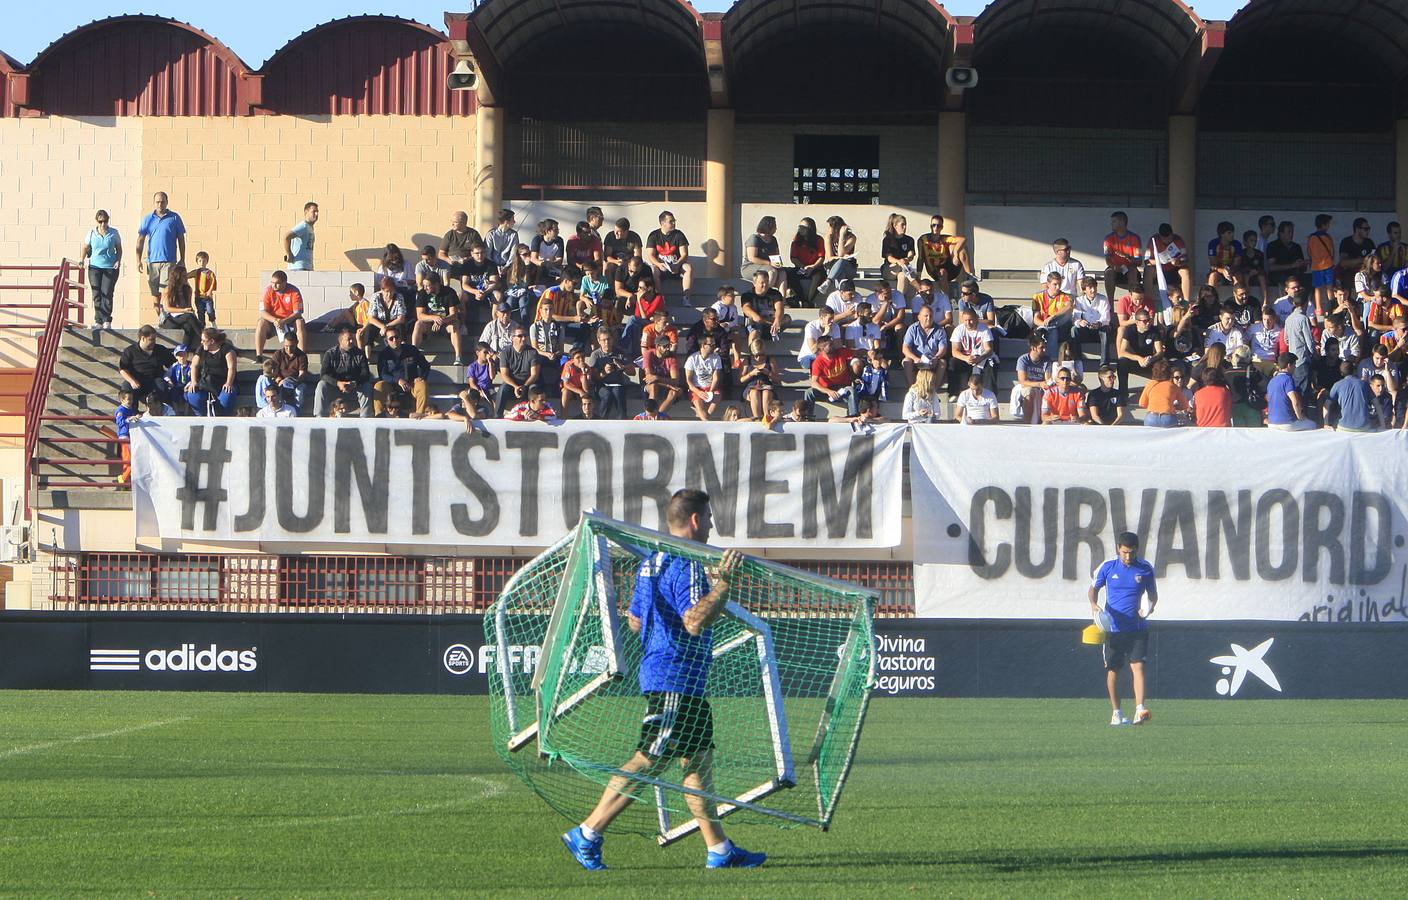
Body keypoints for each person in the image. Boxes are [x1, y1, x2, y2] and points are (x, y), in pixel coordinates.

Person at [563, 489, 766, 872]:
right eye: (707, 517)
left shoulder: (652, 560)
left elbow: (635, 618)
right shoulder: (689, 562)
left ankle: (719, 850)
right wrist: (723, 584)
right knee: (650, 758)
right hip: (675, 676)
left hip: (674, 676)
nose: (710, 524)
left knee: (697, 764)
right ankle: (588, 832)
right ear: (694, 520)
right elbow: (693, 621)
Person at [1089, 532, 1157, 727]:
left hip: (1137, 628)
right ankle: (1116, 713)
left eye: (1132, 552)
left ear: (1138, 550)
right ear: (1118, 548)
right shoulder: (1108, 567)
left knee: (1138, 666)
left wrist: (1149, 607)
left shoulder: (1144, 568)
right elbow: (1093, 589)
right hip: (1113, 629)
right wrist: (1094, 604)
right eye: (1125, 552)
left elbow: (1153, 594)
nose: (1128, 556)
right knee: (1113, 671)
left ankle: (1139, 710)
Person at [135, 191, 186, 319]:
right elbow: (140, 240)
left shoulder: (174, 218)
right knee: (155, 294)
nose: (160, 204)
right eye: (157, 202)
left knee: (166, 290)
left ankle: (165, 314)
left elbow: (181, 239)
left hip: (168, 260)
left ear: (167, 202)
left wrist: (182, 258)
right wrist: (138, 260)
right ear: (154, 203)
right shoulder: (148, 219)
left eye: (162, 201)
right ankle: (160, 317)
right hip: (152, 262)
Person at [316, 324, 373, 418]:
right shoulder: (330, 354)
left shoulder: (359, 354)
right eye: (348, 340)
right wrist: (338, 383)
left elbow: (365, 374)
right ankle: (319, 417)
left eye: (352, 339)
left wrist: (354, 383)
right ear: (341, 341)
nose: (351, 341)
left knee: (367, 386)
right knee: (321, 385)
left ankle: (365, 417)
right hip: (335, 387)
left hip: (354, 388)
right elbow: (324, 374)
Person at [373, 327, 430, 416]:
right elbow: (383, 375)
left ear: (401, 338)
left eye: (397, 337)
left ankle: (419, 414)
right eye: (391, 339)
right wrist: (398, 380)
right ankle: (380, 415)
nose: (394, 340)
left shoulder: (412, 350)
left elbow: (426, 366)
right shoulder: (383, 354)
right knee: (379, 386)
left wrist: (421, 377)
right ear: (386, 341)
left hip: (412, 384)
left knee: (422, 384)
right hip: (392, 385)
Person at [80, 209, 122, 329]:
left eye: (105, 221)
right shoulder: (92, 233)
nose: (103, 224)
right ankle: (98, 319)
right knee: (96, 293)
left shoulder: (114, 233)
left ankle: (106, 319)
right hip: (95, 267)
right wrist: (81, 260)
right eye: (100, 221)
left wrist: (118, 260)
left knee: (107, 293)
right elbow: (85, 247)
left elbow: (119, 248)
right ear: (97, 221)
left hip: (109, 267)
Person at [413, 272, 466, 365]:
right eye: (424, 285)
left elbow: (454, 314)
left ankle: (458, 356)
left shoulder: (449, 292)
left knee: (454, 326)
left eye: (428, 286)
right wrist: (434, 318)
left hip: (447, 322)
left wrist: (441, 321)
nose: (425, 288)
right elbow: (420, 315)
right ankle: (413, 355)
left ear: (436, 285)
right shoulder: (422, 293)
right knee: (418, 324)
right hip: (429, 322)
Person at [185, 328, 238, 417]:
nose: (201, 342)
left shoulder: (227, 350)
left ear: (212, 341)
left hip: (222, 383)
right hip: (204, 383)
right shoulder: (201, 350)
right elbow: (194, 366)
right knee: (193, 395)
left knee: (227, 396)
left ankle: (223, 417)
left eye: (204, 340)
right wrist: (193, 381)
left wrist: (228, 383)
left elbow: (231, 368)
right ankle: (201, 416)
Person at [804, 335, 860, 418]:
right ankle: (807, 417)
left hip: (842, 389)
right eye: (830, 345)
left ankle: (853, 417)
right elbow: (814, 383)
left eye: (832, 343)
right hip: (826, 391)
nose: (833, 346)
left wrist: (870, 352)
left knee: (851, 390)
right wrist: (828, 391)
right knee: (809, 392)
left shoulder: (841, 352)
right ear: (822, 348)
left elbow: (858, 352)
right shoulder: (818, 362)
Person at [118, 325, 176, 403]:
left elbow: (173, 364)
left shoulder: (161, 350)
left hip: (155, 380)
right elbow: (123, 369)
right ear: (143, 338)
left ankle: (160, 411)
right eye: (151, 339)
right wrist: (132, 381)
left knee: (162, 386)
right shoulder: (130, 351)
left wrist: (169, 378)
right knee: (126, 386)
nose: (154, 342)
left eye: (155, 339)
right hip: (137, 381)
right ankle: (132, 412)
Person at [255, 270, 306, 358]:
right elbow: (262, 311)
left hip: (289, 322)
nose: (274, 286)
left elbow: (298, 313)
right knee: (261, 322)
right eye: (272, 283)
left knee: (299, 323)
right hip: (273, 322)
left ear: (284, 283)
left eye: (277, 283)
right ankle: (259, 355)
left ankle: (301, 356)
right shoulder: (268, 290)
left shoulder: (294, 291)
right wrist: (275, 320)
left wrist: (284, 321)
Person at [588, 328, 635, 420]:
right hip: (601, 385)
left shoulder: (620, 353)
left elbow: (633, 372)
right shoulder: (595, 355)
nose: (606, 342)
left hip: (617, 384)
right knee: (607, 395)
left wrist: (623, 367)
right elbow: (592, 377)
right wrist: (604, 373)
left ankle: (622, 422)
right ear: (599, 340)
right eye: (604, 340)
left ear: (612, 339)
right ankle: (601, 421)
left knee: (618, 393)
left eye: (609, 339)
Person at [645, 211, 693, 302]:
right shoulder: (654, 235)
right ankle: (660, 298)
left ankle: (686, 297)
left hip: (676, 266)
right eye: (671, 221)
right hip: (661, 267)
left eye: (674, 221)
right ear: (663, 223)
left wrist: (678, 264)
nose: (674, 223)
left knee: (688, 268)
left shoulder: (679, 235)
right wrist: (659, 264)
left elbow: (684, 254)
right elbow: (650, 255)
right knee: (652, 269)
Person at [916, 215, 971, 295]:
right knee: (943, 272)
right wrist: (918, 275)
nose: (935, 228)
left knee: (961, 249)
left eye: (938, 226)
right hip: (934, 269)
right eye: (933, 225)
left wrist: (955, 253)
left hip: (950, 266)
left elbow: (963, 239)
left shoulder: (944, 238)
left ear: (942, 227)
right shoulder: (923, 239)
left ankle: (969, 273)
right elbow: (921, 258)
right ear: (930, 226)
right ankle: (945, 297)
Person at [497, 326, 542, 417]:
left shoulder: (533, 352)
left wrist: (524, 386)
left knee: (534, 389)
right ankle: (497, 415)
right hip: (512, 383)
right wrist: (515, 386)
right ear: (513, 338)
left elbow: (534, 374)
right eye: (520, 336)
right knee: (502, 389)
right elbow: (504, 375)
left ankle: (535, 415)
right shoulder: (505, 352)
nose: (524, 338)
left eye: (525, 336)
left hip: (528, 382)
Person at [1266, 352, 1317, 431]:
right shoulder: (1288, 379)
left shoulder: (1271, 381)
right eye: (1294, 364)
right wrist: (1300, 417)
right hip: (1287, 423)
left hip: (1271, 423)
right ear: (1289, 365)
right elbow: (1295, 402)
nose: (1295, 367)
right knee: (1313, 425)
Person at [901, 303, 948, 388]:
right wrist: (915, 358)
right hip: (917, 360)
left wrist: (936, 358)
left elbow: (943, 348)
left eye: (930, 316)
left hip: (932, 360)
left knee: (942, 362)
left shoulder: (940, 330)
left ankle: (933, 391)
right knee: (906, 361)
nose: (928, 318)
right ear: (919, 317)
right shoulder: (912, 329)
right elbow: (905, 348)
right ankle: (913, 390)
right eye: (926, 316)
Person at [441, 210, 484, 298]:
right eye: (452, 221)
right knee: (443, 270)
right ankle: (446, 295)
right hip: (451, 264)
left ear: (463, 223)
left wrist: (467, 259)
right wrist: (448, 260)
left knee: (467, 269)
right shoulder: (449, 235)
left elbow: (480, 251)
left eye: (455, 222)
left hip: (467, 263)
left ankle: (465, 297)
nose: (452, 224)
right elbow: (441, 253)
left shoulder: (473, 234)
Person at [160, 263, 201, 348]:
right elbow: (167, 308)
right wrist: (184, 310)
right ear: (177, 277)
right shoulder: (168, 289)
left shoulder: (188, 289)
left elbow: (189, 307)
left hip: (184, 317)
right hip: (170, 319)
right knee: (189, 317)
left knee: (188, 327)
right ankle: (204, 337)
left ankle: (184, 350)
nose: (186, 278)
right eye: (183, 276)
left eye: (186, 275)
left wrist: (191, 313)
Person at [1102, 211, 1142, 299]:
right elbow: (1107, 259)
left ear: (1122, 222)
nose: (1111, 224)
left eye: (1114, 222)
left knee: (1132, 272)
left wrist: (1127, 257)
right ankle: (1110, 306)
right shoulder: (1108, 239)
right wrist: (1114, 267)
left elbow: (1139, 261)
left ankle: (1133, 301)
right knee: (1108, 273)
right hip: (1115, 269)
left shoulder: (1134, 238)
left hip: (1130, 269)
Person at [787, 217, 827, 305]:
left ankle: (810, 300)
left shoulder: (819, 240)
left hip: (815, 267)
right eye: (799, 227)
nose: (800, 229)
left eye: (803, 227)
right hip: (801, 267)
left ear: (810, 229)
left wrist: (812, 267)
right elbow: (793, 258)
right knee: (790, 274)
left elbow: (821, 257)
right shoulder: (796, 241)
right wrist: (803, 267)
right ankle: (801, 298)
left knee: (818, 276)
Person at [741, 216, 785, 294]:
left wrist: (778, 264)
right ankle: (765, 295)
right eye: (774, 226)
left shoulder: (773, 239)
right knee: (772, 271)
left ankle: (782, 300)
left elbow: (776, 255)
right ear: (769, 227)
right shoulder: (754, 238)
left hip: (768, 266)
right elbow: (752, 258)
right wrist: (769, 263)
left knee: (782, 273)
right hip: (750, 266)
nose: (776, 229)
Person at [1326, 362, 1374, 432]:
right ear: (1354, 371)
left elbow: (1327, 404)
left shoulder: (1337, 385)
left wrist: (1325, 423)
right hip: (1364, 427)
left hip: (1344, 427)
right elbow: (1376, 404)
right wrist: (1383, 424)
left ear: (1341, 373)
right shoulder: (1364, 384)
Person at [685, 335, 724, 421]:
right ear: (703, 345)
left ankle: (704, 417)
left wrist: (710, 391)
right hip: (697, 388)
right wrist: (698, 392)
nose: (714, 346)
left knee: (717, 395)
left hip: (710, 387)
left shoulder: (716, 358)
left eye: (714, 344)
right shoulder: (692, 359)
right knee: (703, 412)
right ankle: (705, 419)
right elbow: (688, 380)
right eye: (711, 344)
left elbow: (716, 377)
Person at [1138, 360, 1186, 428]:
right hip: (1168, 418)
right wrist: (1173, 406)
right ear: (1169, 373)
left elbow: (1142, 403)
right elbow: (1185, 406)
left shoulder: (1150, 384)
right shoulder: (1173, 386)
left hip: (1151, 418)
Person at [269, 332, 309, 412]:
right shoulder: (278, 354)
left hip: (296, 382)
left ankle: (297, 413)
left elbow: (302, 375)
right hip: (280, 382)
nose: (289, 349)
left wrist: (290, 381)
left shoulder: (302, 356)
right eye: (286, 346)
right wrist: (280, 380)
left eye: (292, 346)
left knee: (299, 391)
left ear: (297, 343)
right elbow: (274, 372)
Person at [1306, 214, 1336, 315]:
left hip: (1316, 266)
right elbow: (1332, 251)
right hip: (1328, 265)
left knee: (1317, 288)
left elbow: (1309, 252)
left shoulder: (1311, 237)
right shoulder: (1328, 237)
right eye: (1328, 224)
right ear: (1324, 224)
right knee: (1329, 287)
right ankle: (1332, 305)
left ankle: (1318, 308)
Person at [1012, 335, 1046, 424]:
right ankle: (1027, 423)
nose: (1044, 350)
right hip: (1027, 386)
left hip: (1041, 387)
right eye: (1041, 347)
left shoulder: (1047, 360)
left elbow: (1048, 378)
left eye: (1044, 347)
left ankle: (1042, 421)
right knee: (1030, 391)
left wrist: (1043, 385)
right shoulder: (1023, 360)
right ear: (1033, 348)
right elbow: (1022, 381)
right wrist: (1039, 384)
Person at [880, 213, 916, 297]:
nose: (905, 227)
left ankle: (900, 300)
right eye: (902, 225)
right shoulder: (888, 240)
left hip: (904, 269)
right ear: (895, 225)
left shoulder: (909, 240)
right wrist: (899, 262)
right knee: (903, 266)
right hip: (890, 269)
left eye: (905, 225)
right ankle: (917, 285)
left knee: (903, 275)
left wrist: (906, 259)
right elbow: (889, 257)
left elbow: (911, 254)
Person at [821, 216, 858, 293]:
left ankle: (828, 281)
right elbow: (830, 257)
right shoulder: (828, 237)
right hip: (833, 268)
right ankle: (840, 292)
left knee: (842, 261)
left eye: (829, 227)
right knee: (841, 268)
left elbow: (841, 253)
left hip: (849, 268)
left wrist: (842, 236)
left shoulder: (851, 237)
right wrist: (840, 258)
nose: (827, 229)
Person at [603, 217, 643, 282]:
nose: (615, 233)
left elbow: (638, 257)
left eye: (618, 231)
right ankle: (611, 288)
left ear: (626, 231)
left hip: (630, 263)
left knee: (638, 267)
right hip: (615, 262)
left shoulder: (635, 237)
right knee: (607, 267)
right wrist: (616, 261)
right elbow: (607, 256)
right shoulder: (610, 236)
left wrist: (628, 263)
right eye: (615, 230)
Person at [559, 345, 594, 420]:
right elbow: (566, 384)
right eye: (578, 358)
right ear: (572, 359)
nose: (581, 360)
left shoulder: (587, 367)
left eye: (582, 357)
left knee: (587, 393)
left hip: (582, 388)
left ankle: (586, 416)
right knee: (565, 392)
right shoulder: (568, 366)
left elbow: (586, 388)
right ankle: (564, 417)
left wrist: (584, 372)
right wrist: (579, 391)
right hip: (570, 388)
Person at [283, 201, 318, 271]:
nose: (316, 214)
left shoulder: (309, 227)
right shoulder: (303, 226)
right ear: (306, 212)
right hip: (298, 266)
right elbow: (286, 236)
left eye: (317, 212)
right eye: (313, 211)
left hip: (307, 266)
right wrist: (289, 254)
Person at [188, 250, 218, 329]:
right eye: (200, 261)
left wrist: (210, 291)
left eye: (204, 261)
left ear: (207, 261)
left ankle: (213, 322)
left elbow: (213, 282)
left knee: (210, 310)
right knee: (200, 312)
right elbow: (187, 275)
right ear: (197, 262)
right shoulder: (196, 272)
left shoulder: (210, 273)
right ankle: (202, 326)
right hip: (198, 296)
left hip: (207, 297)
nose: (202, 263)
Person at [1206, 221, 1242, 287]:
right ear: (1222, 234)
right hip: (1218, 270)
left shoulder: (1237, 244)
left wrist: (1229, 271)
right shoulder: (1213, 244)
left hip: (1233, 270)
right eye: (1229, 233)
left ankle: (1239, 295)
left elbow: (1237, 264)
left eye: (1233, 232)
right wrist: (1223, 271)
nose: (1232, 235)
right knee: (1213, 276)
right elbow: (1213, 264)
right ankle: (1210, 295)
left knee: (1238, 277)